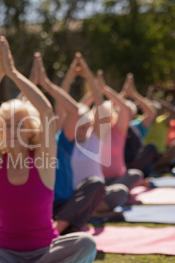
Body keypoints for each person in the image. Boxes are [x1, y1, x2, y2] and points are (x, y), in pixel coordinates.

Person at [0, 37, 96, 263]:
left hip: (45, 253)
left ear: (31, 129)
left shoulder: (42, 159)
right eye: (7, 124)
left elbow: (46, 111)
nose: (13, 129)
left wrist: (13, 73)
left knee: (86, 244)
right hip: (5, 257)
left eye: (20, 124)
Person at [52, 53, 106, 234]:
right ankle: (62, 228)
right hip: (69, 201)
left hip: (89, 197)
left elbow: (100, 106)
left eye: (85, 126)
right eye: (78, 126)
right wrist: (69, 76)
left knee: (104, 186)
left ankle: (63, 227)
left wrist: (88, 75)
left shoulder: (95, 139)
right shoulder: (66, 141)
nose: (82, 130)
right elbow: (61, 106)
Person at [93, 71, 144, 214]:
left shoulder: (118, 131)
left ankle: (102, 202)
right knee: (117, 191)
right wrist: (96, 91)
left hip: (119, 178)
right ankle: (102, 203)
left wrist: (105, 90)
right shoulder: (92, 132)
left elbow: (125, 108)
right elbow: (79, 109)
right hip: (100, 182)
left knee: (135, 175)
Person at [120, 74, 158, 176]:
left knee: (150, 148)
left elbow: (151, 113)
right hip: (118, 164)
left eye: (128, 112)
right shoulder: (113, 127)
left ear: (133, 115)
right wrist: (123, 94)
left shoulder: (136, 126)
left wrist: (133, 94)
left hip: (133, 164)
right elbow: (105, 110)